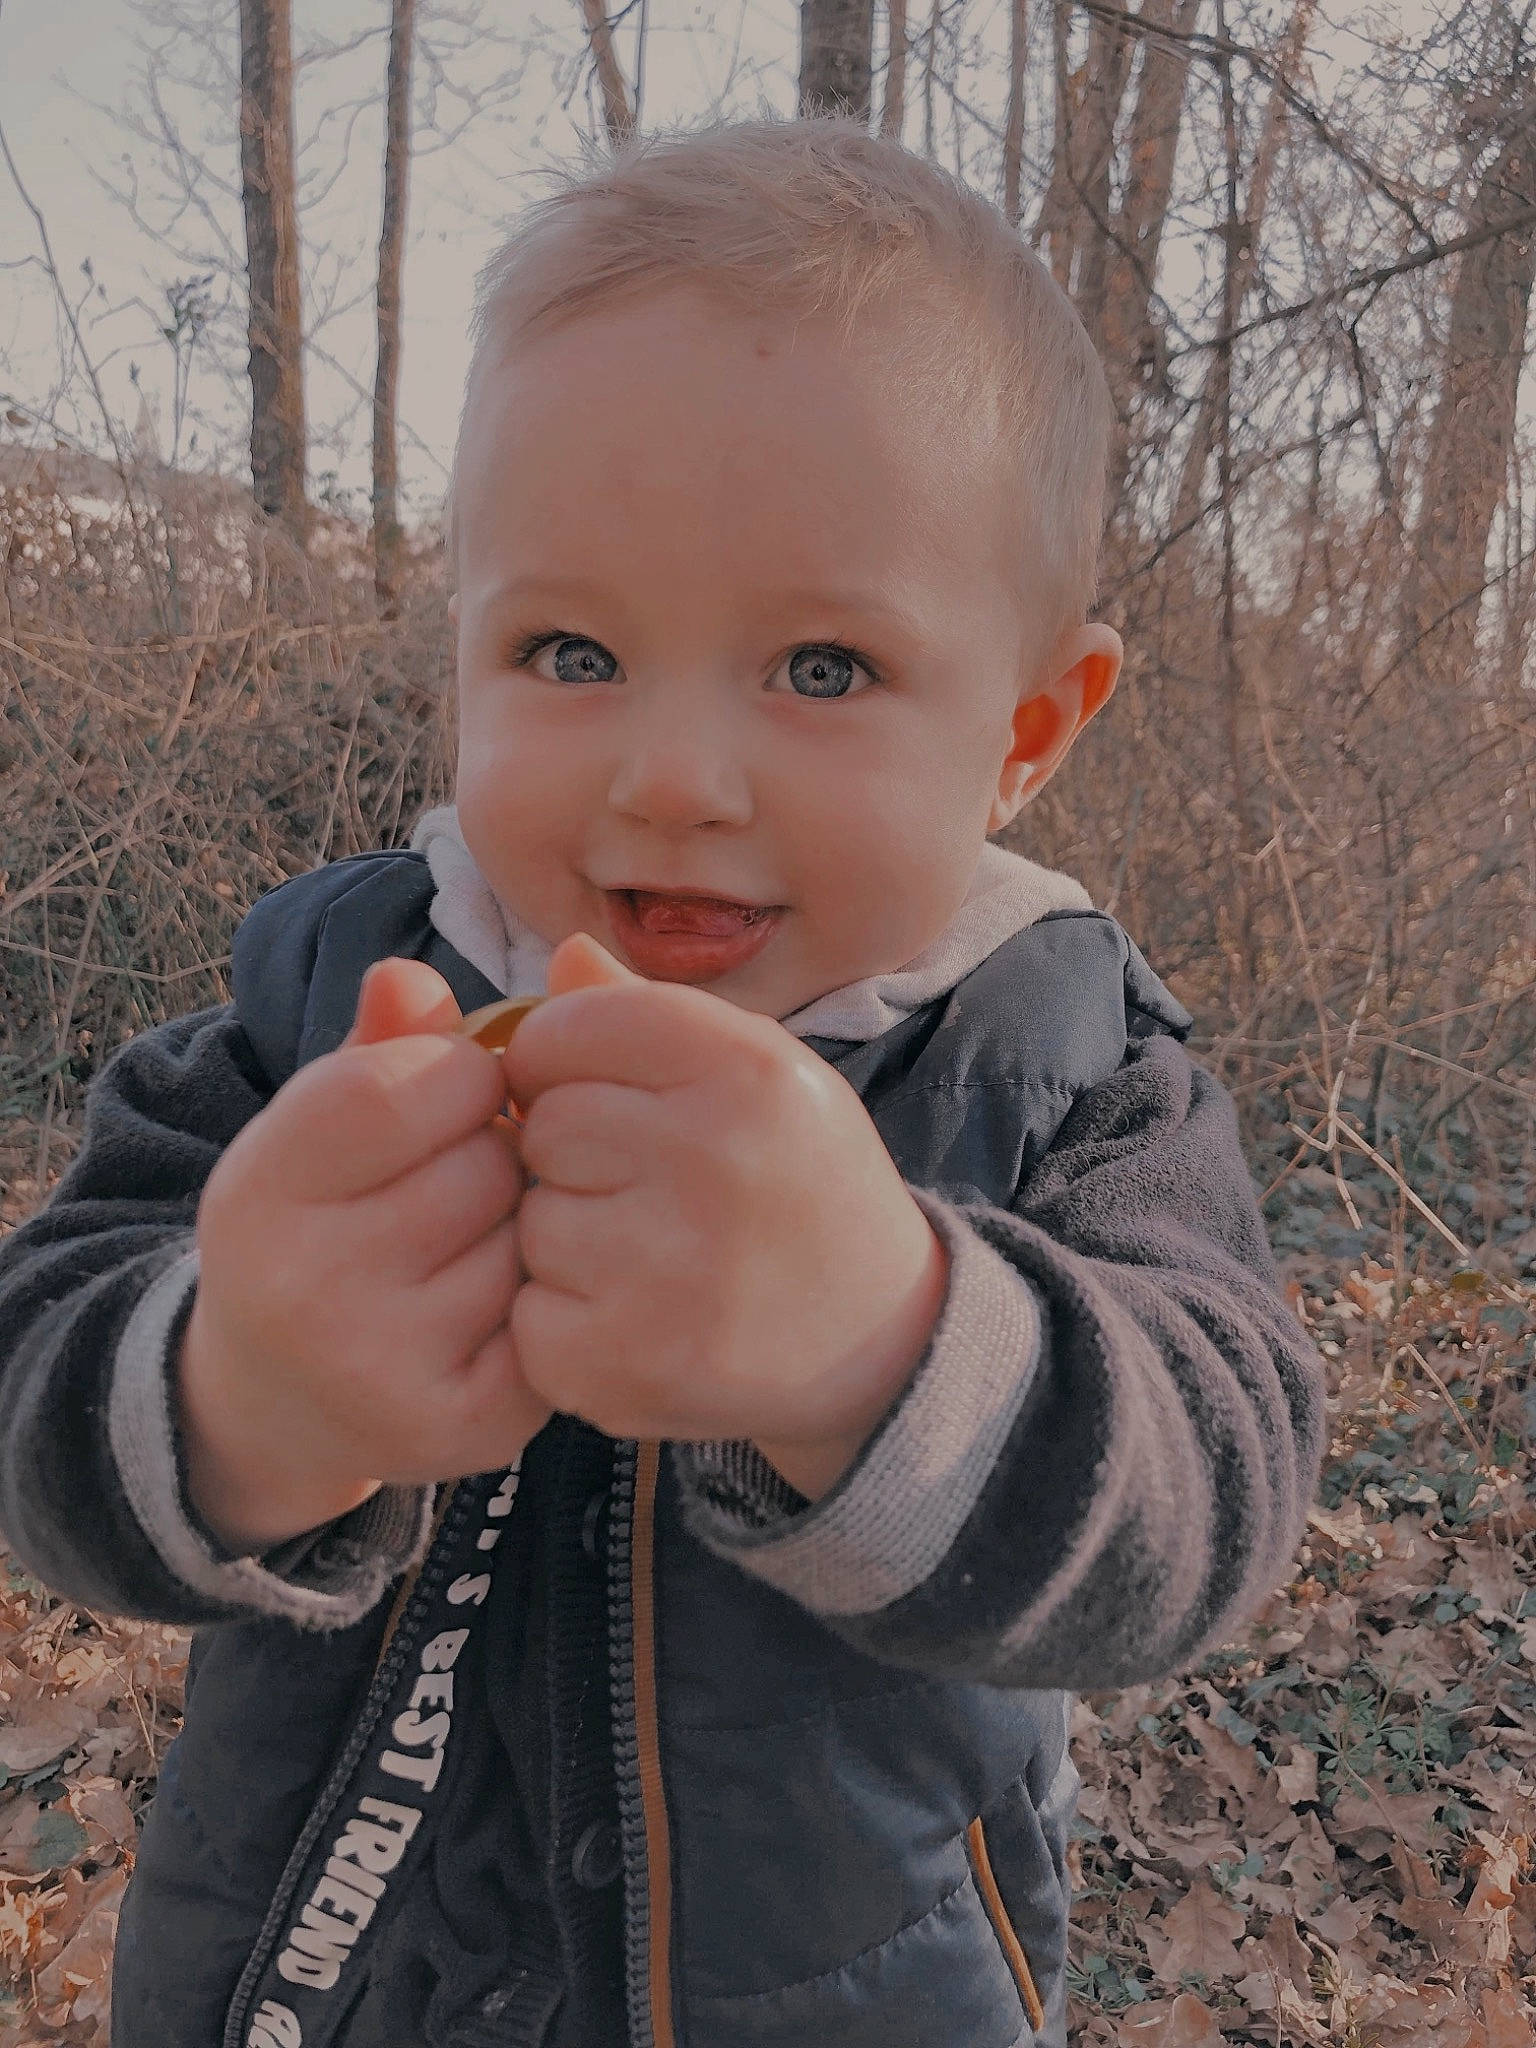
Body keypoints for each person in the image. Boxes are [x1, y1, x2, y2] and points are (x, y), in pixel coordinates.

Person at [0, 120, 1323, 2048]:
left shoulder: (1059, 1068)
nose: (676, 776)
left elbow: (1220, 1500)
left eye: (822, 666)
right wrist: (240, 1395)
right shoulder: (338, 1012)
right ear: (459, 652)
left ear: (1027, 730)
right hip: (296, 1984)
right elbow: (38, 1376)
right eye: (571, 649)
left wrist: (883, 1347)